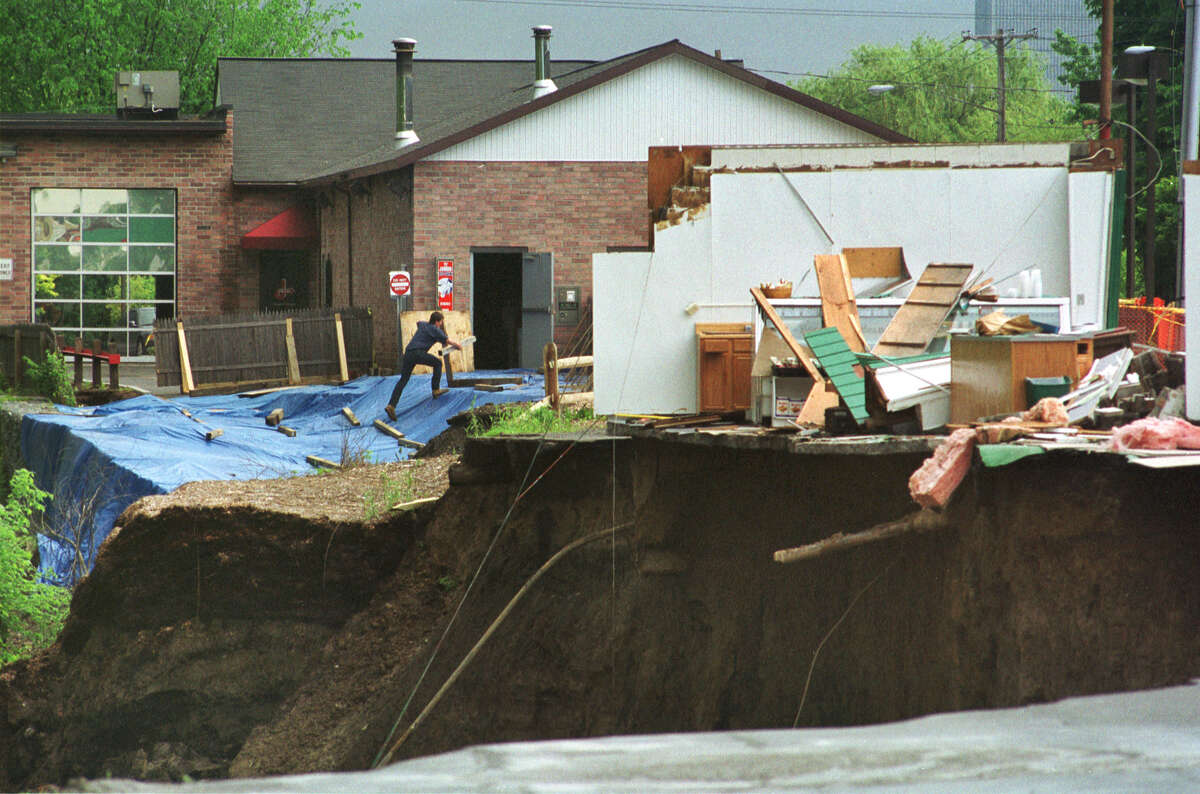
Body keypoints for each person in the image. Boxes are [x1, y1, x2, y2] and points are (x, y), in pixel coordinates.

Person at [385, 311, 462, 420]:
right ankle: (435, 390)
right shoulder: (435, 329)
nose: (441, 324)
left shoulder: (423, 325)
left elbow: (418, 322)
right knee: (438, 363)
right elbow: (447, 340)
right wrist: (458, 345)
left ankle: (391, 405)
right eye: (440, 322)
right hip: (418, 353)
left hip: (408, 353)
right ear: (437, 322)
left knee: (403, 379)